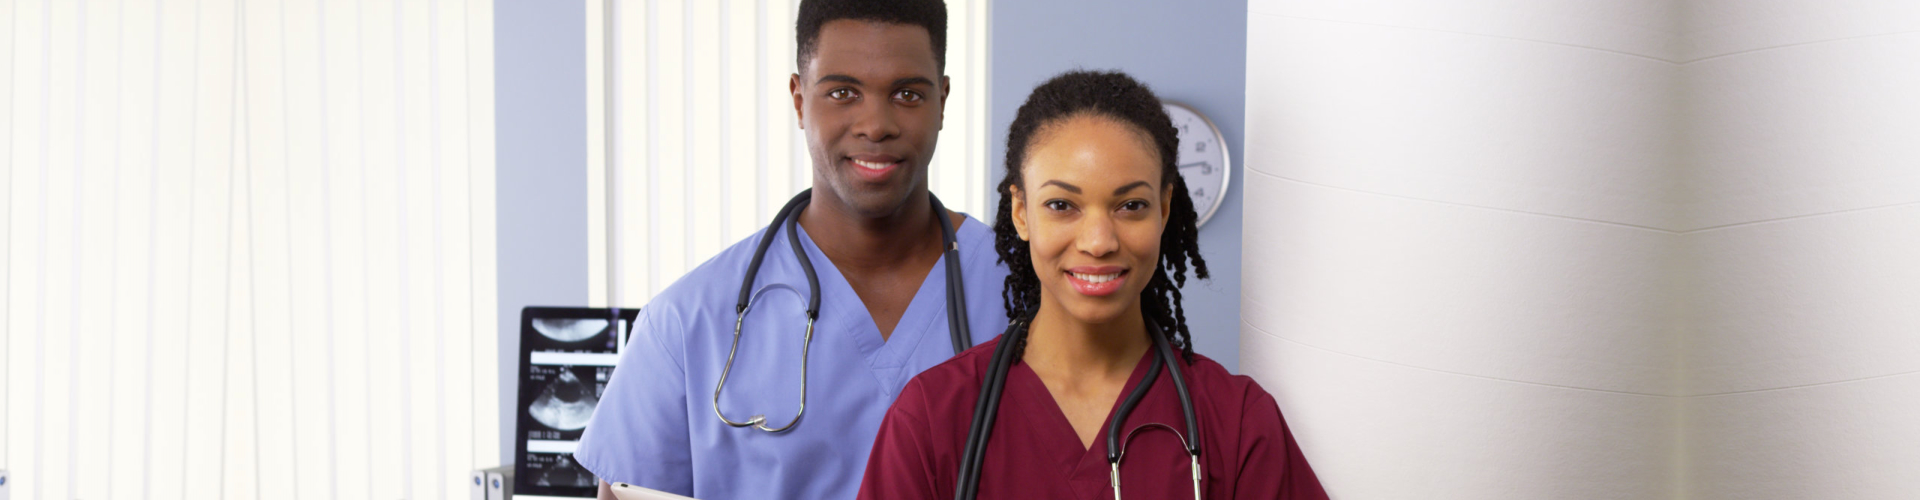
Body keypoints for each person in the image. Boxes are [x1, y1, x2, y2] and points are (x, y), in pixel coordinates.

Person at [572, 1, 1009, 499]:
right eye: (843, 92)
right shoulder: (685, 326)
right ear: (799, 100)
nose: (875, 124)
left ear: (943, 102)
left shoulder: (1027, 297)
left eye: (907, 94)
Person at [855, 70, 1328, 499]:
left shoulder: (1238, 422)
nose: (1099, 242)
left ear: (1164, 209)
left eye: (1131, 206)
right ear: (1021, 212)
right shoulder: (933, 417)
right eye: (1062, 205)